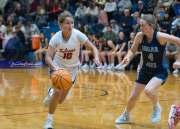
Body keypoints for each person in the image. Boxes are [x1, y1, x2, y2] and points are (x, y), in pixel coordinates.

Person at [115, 14, 180, 124]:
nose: (140, 28)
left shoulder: (160, 36)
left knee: (149, 91)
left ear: (151, 26)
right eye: (140, 25)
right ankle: (126, 115)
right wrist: (128, 57)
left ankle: (157, 107)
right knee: (132, 98)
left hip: (160, 71)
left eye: (143, 25)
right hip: (145, 70)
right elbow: (133, 50)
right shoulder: (140, 36)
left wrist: (178, 60)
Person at [43, 11, 100, 129]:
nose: (70, 26)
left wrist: (97, 57)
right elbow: (48, 58)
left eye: (72, 23)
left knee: (60, 100)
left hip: (73, 69)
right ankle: (49, 121)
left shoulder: (78, 35)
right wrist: (55, 68)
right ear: (61, 25)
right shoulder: (56, 38)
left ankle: (50, 93)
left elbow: (93, 47)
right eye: (67, 23)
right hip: (58, 65)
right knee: (58, 92)